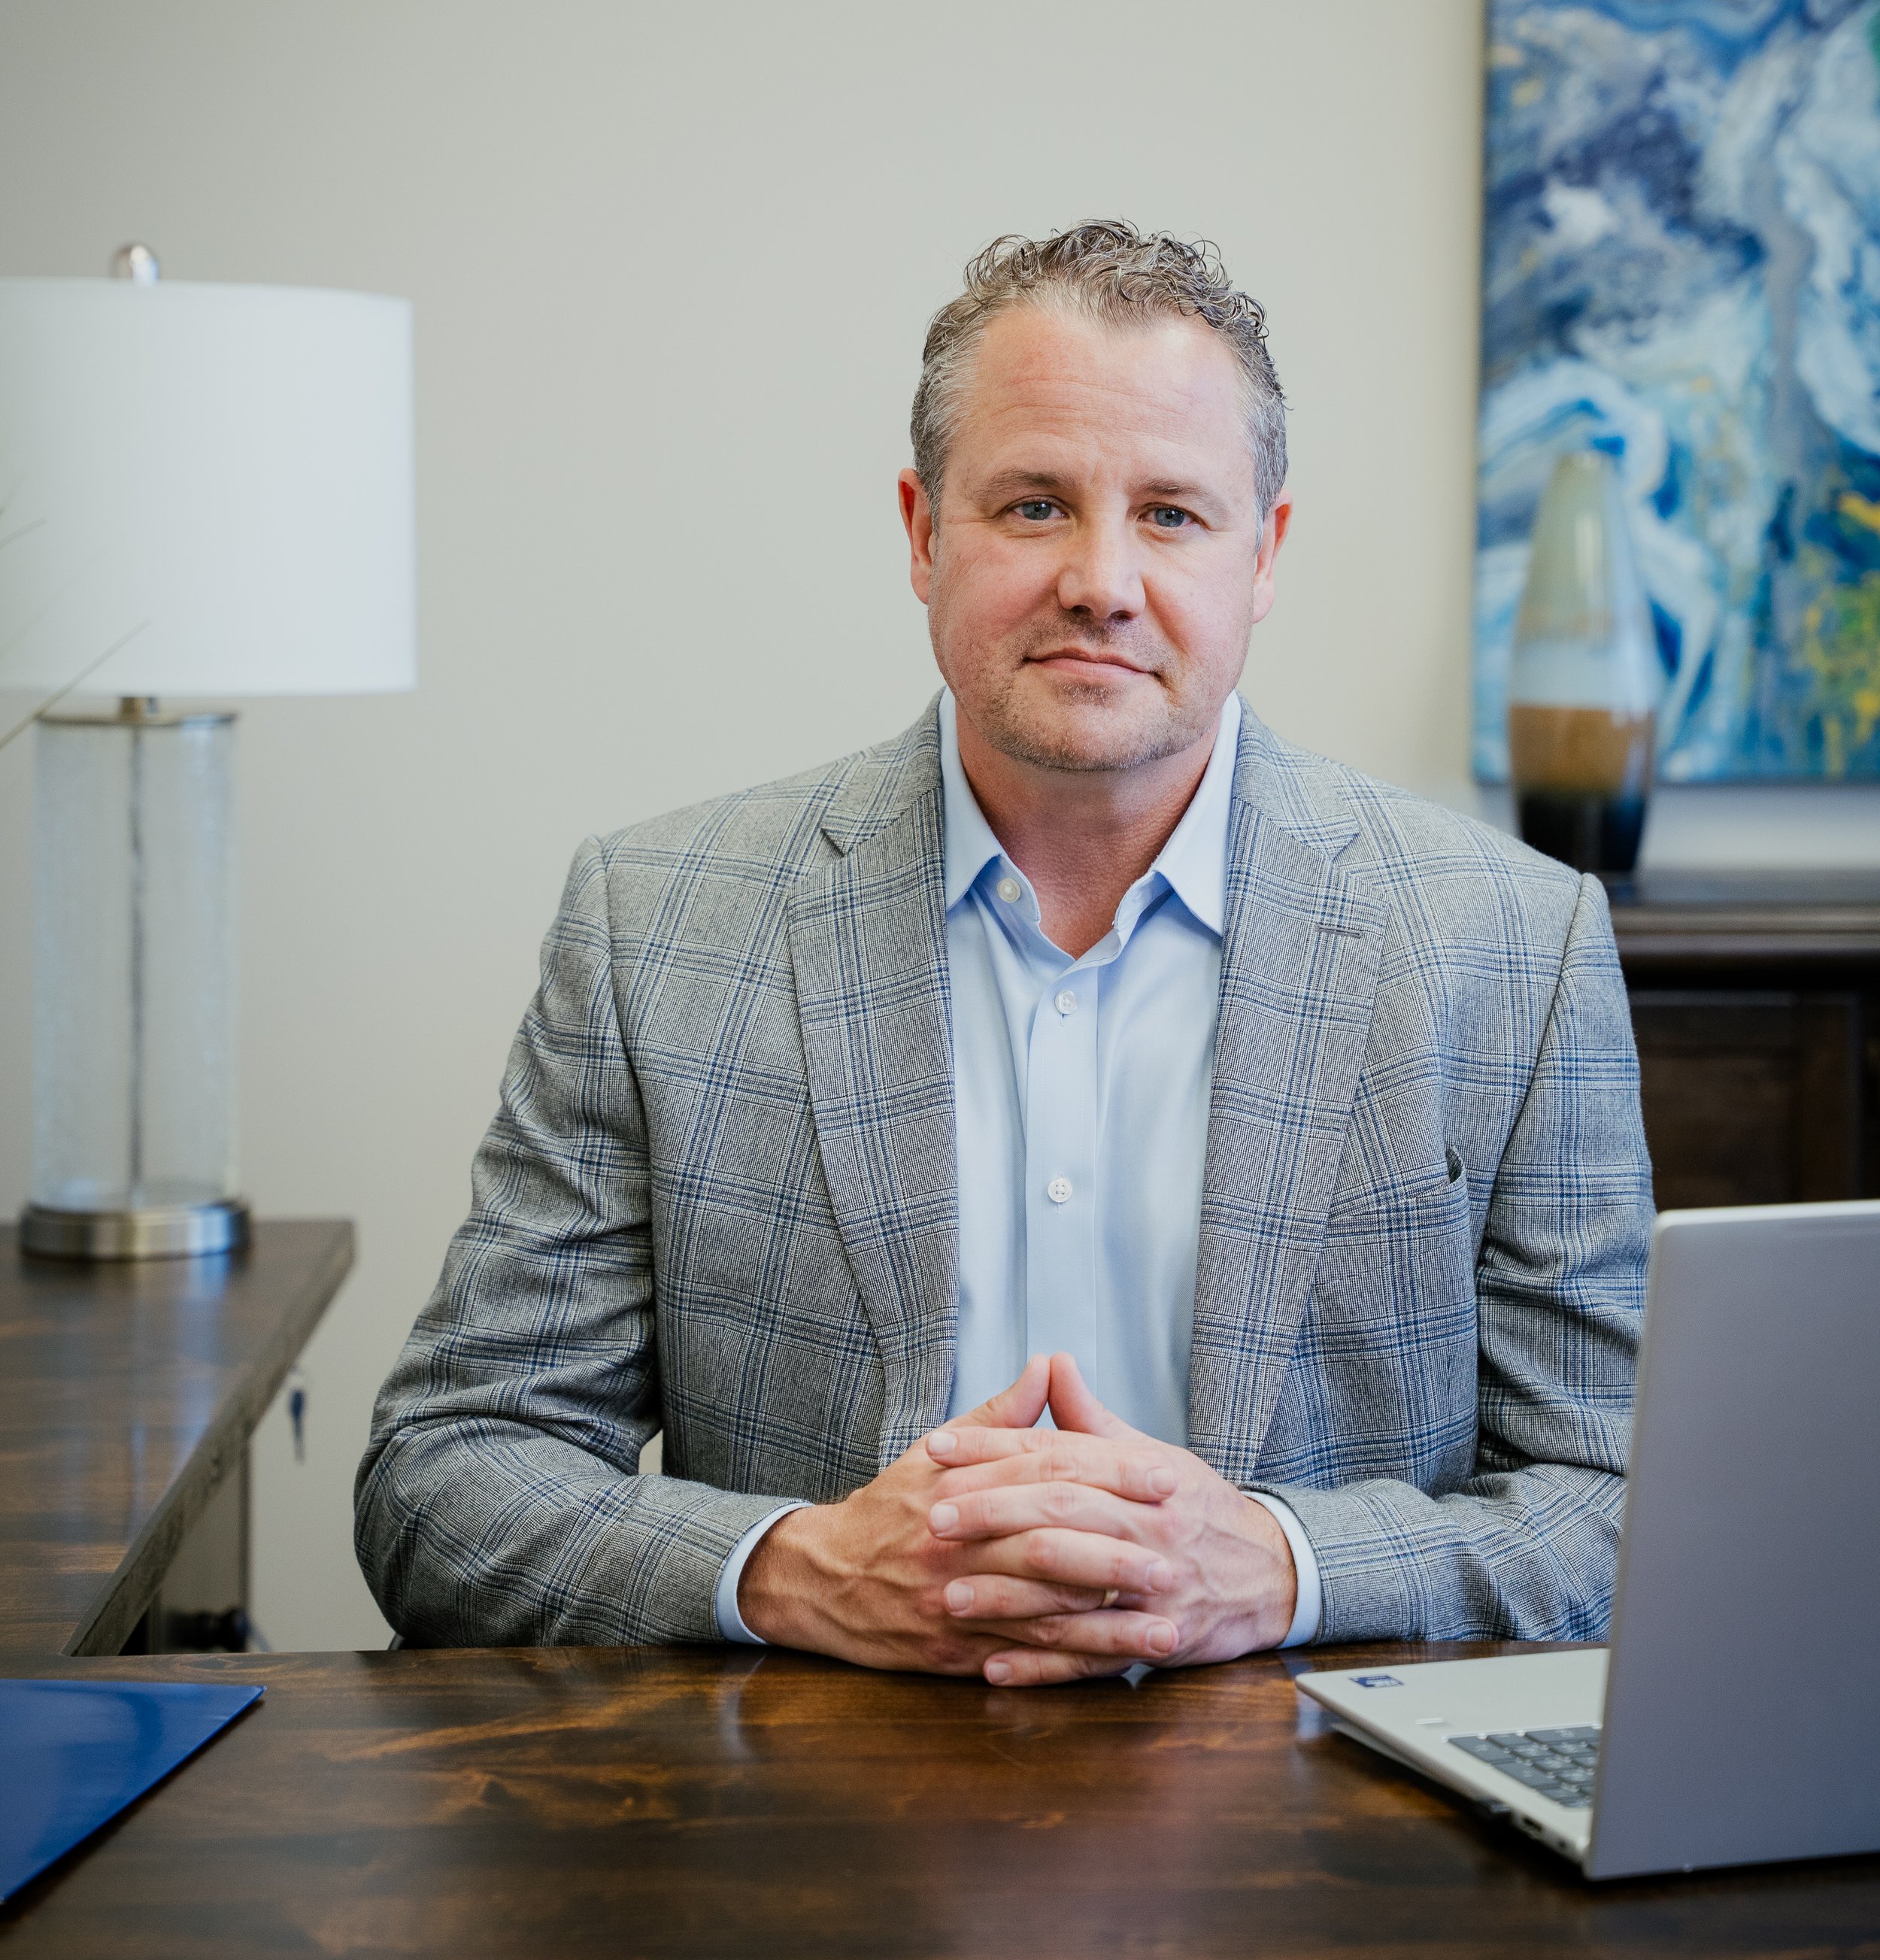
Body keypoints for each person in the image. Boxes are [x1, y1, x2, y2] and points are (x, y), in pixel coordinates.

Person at [357, 221, 1651, 1685]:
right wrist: (796, 1571)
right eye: (1033, 506)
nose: (1100, 579)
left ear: (1263, 555)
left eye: (1170, 514)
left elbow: (1616, 1505)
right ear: (919, 533)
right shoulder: (651, 926)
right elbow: (444, 1482)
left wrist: (1278, 1569)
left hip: (1324, 1834)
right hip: (806, 1822)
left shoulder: (1512, 947)